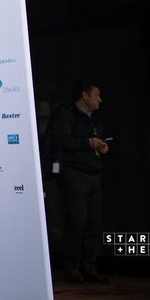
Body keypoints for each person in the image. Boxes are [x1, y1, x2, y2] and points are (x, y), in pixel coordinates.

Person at [49, 79, 110, 284]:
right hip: (72, 173)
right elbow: (59, 140)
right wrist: (87, 143)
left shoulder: (94, 119)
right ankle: (72, 268)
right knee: (77, 220)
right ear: (85, 95)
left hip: (93, 174)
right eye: (96, 95)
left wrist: (102, 146)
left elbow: (97, 140)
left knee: (94, 222)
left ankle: (90, 267)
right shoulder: (66, 113)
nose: (100, 99)